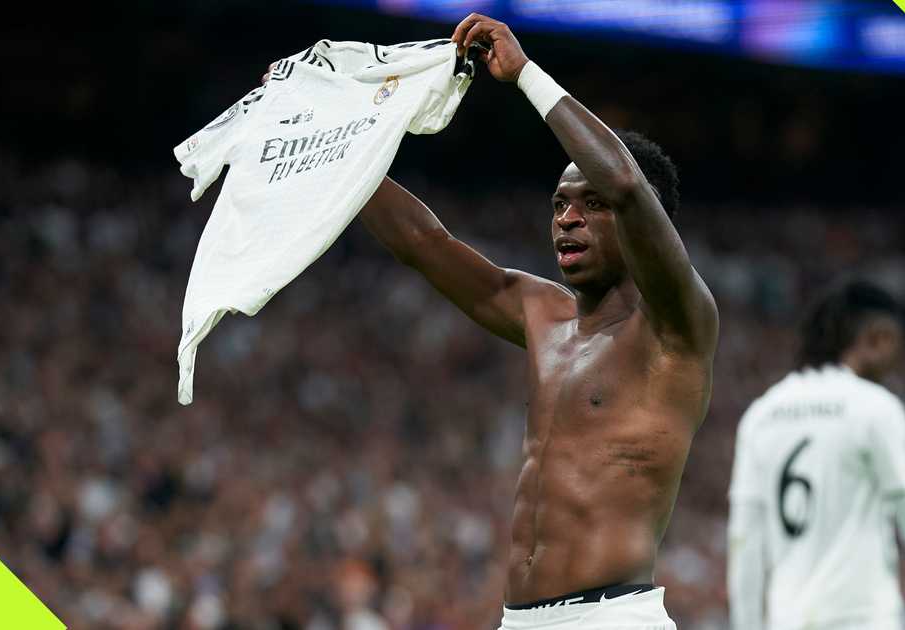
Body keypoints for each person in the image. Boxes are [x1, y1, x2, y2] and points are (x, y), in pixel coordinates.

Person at [262, 12, 717, 629]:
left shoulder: (677, 326)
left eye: (590, 204)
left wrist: (526, 75)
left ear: (643, 227)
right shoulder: (542, 313)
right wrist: (325, 142)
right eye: (559, 204)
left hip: (613, 619)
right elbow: (424, 244)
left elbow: (630, 186)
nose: (567, 219)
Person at [727, 280, 905, 630]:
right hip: (860, 618)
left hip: (786, 620)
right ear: (877, 338)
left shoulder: (761, 415)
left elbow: (745, 542)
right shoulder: (875, 408)